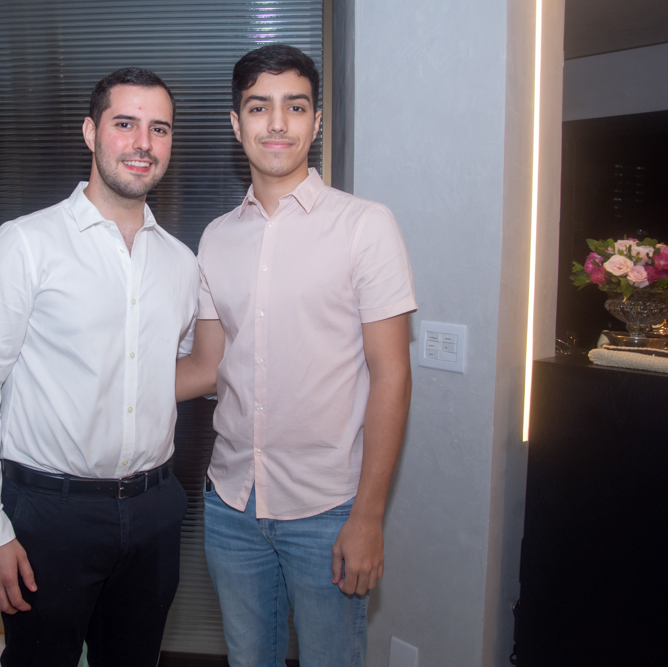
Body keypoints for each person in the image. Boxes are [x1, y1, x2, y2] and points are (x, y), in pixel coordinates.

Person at [0, 68, 197, 667]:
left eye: (159, 129)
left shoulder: (181, 263)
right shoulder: (25, 245)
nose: (143, 143)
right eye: (125, 123)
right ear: (90, 132)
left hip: (155, 510)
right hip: (49, 515)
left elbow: (167, 371)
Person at [176, 44, 416, 666]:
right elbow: (205, 366)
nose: (277, 123)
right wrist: (102, 379)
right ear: (237, 124)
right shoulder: (216, 238)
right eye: (259, 107)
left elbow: (391, 376)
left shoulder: (365, 226)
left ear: (316, 122)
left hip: (328, 509)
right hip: (231, 502)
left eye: (295, 106)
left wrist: (368, 515)